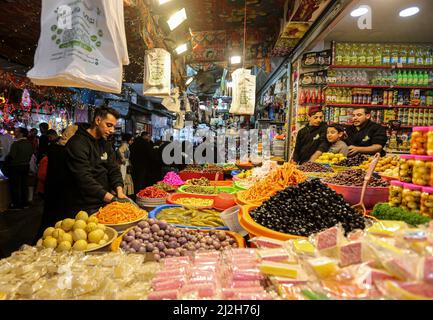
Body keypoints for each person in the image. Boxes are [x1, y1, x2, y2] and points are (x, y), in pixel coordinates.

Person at [64, 107, 127, 216]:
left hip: (104, 202)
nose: (112, 130)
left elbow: (114, 170)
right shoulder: (77, 143)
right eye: (109, 125)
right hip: (83, 206)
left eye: (114, 127)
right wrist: (112, 198)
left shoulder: (106, 143)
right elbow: (84, 178)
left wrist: (119, 192)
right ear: (98, 120)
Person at [35, 124, 78, 240]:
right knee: (59, 230)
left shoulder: (54, 148)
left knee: (48, 226)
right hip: (62, 196)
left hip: (52, 193)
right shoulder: (67, 151)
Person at [4, 127, 34, 210]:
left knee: (15, 186)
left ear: (21, 133)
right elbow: (31, 154)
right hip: (26, 166)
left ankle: (16, 204)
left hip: (15, 166)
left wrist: (6, 160)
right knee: (24, 185)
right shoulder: (29, 143)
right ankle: (25, 203)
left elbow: (11, 156)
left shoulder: (16, 144)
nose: (15, 133)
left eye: (17, 132)